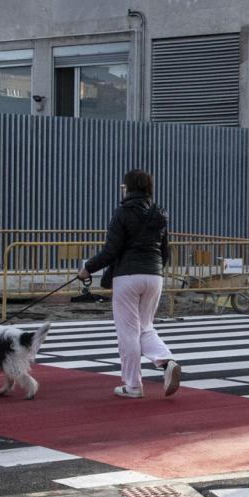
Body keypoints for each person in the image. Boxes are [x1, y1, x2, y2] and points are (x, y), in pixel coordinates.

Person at [78, 169, 183, 399]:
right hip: (154, 276)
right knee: (145, 327)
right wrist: (155, 270)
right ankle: (167, 363)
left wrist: (87, 268)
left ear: (128, 188)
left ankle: (133, 386)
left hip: (127, 277)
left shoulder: (122, 213)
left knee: (128, 333)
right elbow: (165, 251)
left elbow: (111, 250)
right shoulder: (159, 213)